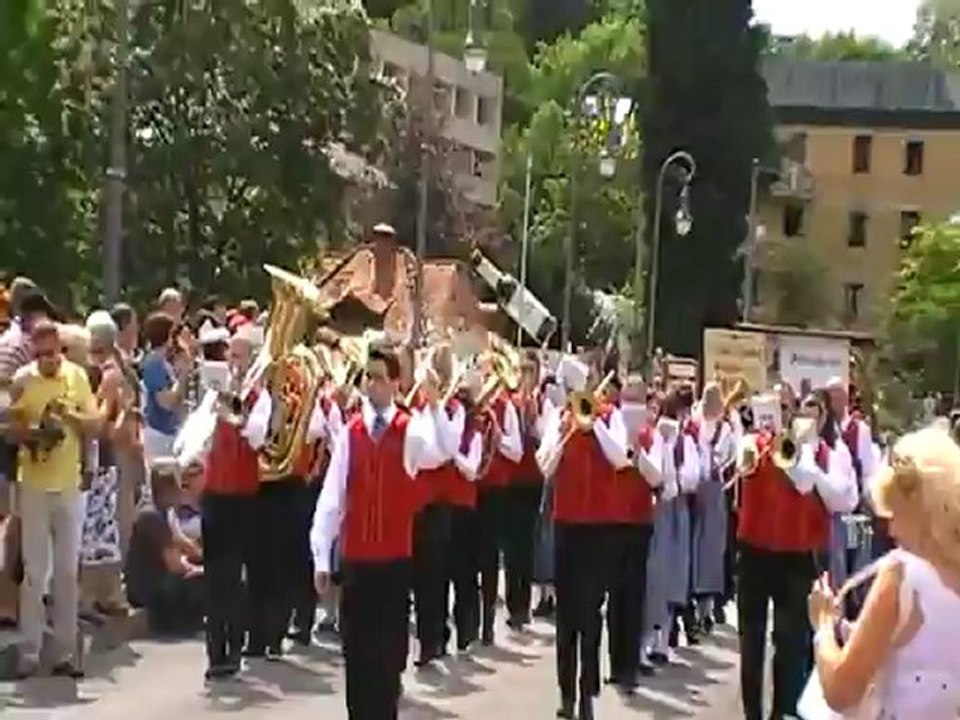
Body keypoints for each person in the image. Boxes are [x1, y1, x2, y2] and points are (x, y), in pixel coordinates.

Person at [310, 347, 442, 720]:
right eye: (368, 376)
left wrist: (432, 405)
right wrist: (322, 556)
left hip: (394, 563)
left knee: (386, 661)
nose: (372, 384)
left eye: (380, 377)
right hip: (357, 562)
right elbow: (332, 499)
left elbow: (439, 451)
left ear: (395, 383)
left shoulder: (409, 428)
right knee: (356, 657)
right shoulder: (351, 433)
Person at [807, 426, 960, 717]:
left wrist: (824, 624)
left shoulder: (902, 573)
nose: (890, 529)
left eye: (895, 513)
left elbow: (841, 691)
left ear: (919, 509)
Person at [736, 388, 859, 720]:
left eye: (807, 410)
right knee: (751, 639)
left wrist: (802, 452)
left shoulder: (827, 453)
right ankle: (752, 714)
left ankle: (782, 713)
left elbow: (825, 493)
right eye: (787, 409)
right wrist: (762, 444)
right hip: (755, 550)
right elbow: (742, 469)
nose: (796, 415)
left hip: (798, 555)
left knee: (790, 643)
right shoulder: (752, 442)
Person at [537, 358, 632, 720]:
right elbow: (544, 465)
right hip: (567, 525)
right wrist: (565, 432)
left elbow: (620, 458)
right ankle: (566, 694)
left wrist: (593, 425)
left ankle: (588, 691)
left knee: (591, 612)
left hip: (599, 528)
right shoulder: (560, 419)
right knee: (567, 615)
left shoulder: (610, 416)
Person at [8, 320, 100, 678]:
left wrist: (69, 418)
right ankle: (30, 652)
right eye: (40, 354)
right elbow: (9, 429)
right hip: (33, 483)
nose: (46, 360)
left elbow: (93, 424)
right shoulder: (23, 380)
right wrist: (32, 433)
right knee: (34, 572)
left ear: (61, 349)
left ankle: (66, 652)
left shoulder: (76, 376)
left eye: (52, 353)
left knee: (65, 571)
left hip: (67, 484)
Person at [605, 375, 662, 690]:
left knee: (634, 593)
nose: (631, 404)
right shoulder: (611, 426)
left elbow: (656, 477)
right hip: (612, 520)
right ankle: (615, 664)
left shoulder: (654, 436)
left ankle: (630, 666)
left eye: (637, 399)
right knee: (615, 595)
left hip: (639, 521)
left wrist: (638, 452)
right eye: (628, 397)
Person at [125, 470, 204, 637]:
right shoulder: (152, 517)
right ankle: (177, 623)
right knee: (199, 581)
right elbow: (175, 566)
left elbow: (180, 542)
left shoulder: (161, 513)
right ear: (168, 490)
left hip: (154, 581)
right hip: (149, 589)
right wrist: (200, 570)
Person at [691, 382, 736, 632]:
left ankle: (706, 609)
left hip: (715, 490)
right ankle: (692, 609)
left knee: (711, 551)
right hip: (695, 489)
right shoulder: (696, 424)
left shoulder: (725, 428)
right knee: (694, 549)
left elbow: (731, 455)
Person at [141, 312, 191, 466]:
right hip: (159, 435)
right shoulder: (153, 363)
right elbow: (166, 403)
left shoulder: (162, 362)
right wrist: (183, 375)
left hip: (169, 433)